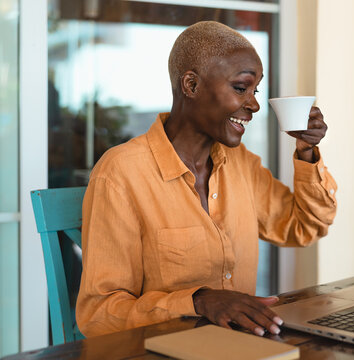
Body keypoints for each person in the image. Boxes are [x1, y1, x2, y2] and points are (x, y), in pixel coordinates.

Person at [76, 21, 337, 338]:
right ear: (191, 85)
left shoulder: (241, 164)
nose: (254, 104)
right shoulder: (121, 174)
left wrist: (307, 150)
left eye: (255, 91)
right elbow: (100, 316)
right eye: (241, 88)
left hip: (241, 348)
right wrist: (197, 301)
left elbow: (305, 226)